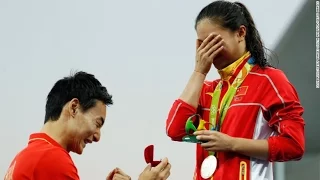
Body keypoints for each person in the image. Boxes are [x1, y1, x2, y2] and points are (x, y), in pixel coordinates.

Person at [165, 1, 305, 180]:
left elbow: (294, 145)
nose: (207, 50)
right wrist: (199, 71)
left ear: (240, 33)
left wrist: (232, 144)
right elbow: (174, 130)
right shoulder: (207, 89)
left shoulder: (269, 80)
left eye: (214, 41)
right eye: (202, 43)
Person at [4, 71, 171, 180]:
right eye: (98, 123)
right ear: (74, 107)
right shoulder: (52, 159)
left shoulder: (26, 156)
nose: (98, 136)